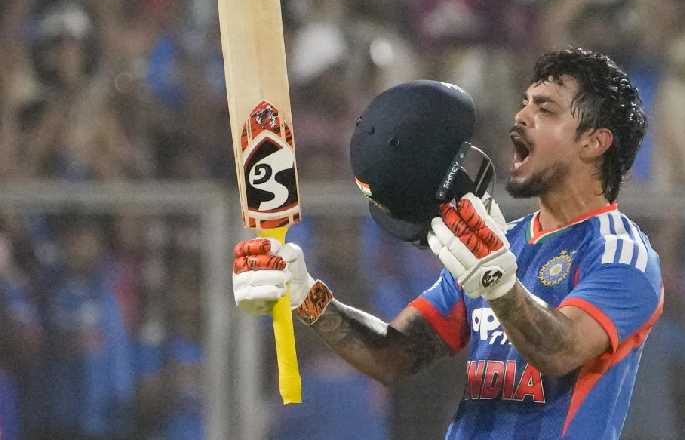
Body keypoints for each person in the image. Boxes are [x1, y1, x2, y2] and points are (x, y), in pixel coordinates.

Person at [232, 48, 663, 439]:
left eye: (544, 108)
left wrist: (500, 287)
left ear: (594, 141)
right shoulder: (501, 243)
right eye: (525, 103)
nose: (520, 117)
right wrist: (308, 297)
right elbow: (394, 355)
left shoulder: (622, 254)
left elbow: (560, 350)